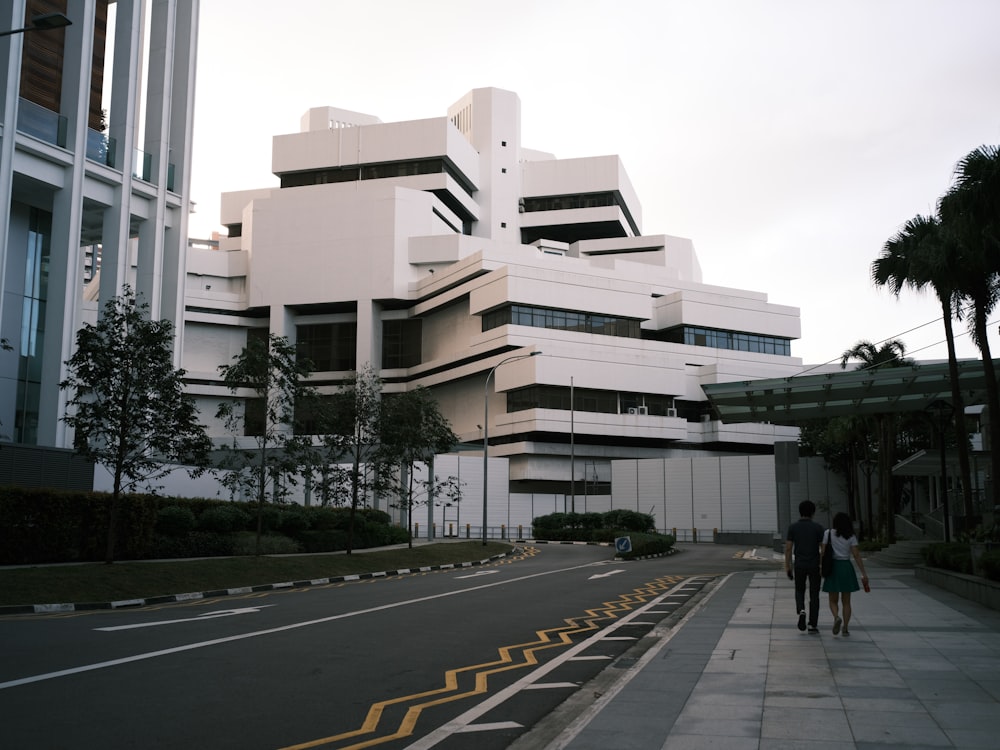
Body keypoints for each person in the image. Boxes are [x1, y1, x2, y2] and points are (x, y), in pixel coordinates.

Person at [822, 512, 869, 636]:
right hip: (846, 567)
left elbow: (823, 552)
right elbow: (856, 555)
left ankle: (836, 617)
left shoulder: (828, 533)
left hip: (833, 567)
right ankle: (846, 628)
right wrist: (863, 573)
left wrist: (821, 566)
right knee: (846, 601)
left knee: (833, 600)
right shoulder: (851, 536)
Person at [784, 500, 825, 634]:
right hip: (814, 565)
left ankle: (801, 610)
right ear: (813, 512)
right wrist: (821, 564)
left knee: (799, 590)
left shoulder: (793, 527)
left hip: (800, 564)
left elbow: (789, 548)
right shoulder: (818, 528)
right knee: (814, 594)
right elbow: (823, 549)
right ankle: (813, 624)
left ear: (800, 512)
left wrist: (788, 567)